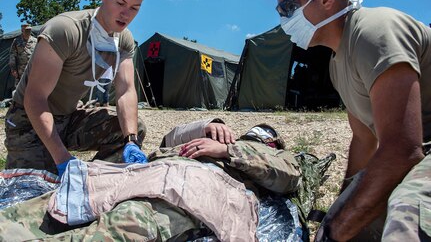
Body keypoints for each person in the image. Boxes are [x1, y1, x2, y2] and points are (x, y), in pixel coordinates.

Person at [275, 0, 430, 241]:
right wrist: (342, 204)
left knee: (406, 218)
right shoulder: (338, 64)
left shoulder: (375, 31)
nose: (284, 20)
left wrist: (336, 230)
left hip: (418, 151)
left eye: (288, 7)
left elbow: (402, 149)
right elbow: (363, 139)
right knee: (354, 218)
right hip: (419, 153)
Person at [0, 118, 323, 241]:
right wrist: (206, 126)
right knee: (56, 205)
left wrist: (230, 153)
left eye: (261, 137)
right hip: (148, 174)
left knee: (127, 223)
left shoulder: (272, 156)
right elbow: (169, 139)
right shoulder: (214, 138)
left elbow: (289, 176)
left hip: (194, 187)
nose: (253, 136)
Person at [4, 0, 150, 177]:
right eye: (120, 3)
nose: (125, 14)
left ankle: (94, 179)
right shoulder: (65, 30)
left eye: (134, 8)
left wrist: (131, 141)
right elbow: (34, 98)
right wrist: (62, 158)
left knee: (132, 128)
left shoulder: (123, 40)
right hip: (29, 122)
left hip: (68, 117)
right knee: (34, 191)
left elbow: (126, 91)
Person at [9, 23, 37, 88]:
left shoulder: (35, 41)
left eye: (29, 30)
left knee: (32, 87)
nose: (28, 32)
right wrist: (13, 69)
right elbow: (12, 56)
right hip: (21, 70)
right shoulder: (16, 41)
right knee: (20, 88)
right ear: (22, 30)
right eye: (26, 30)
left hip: (33, 69)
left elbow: (39, 55)